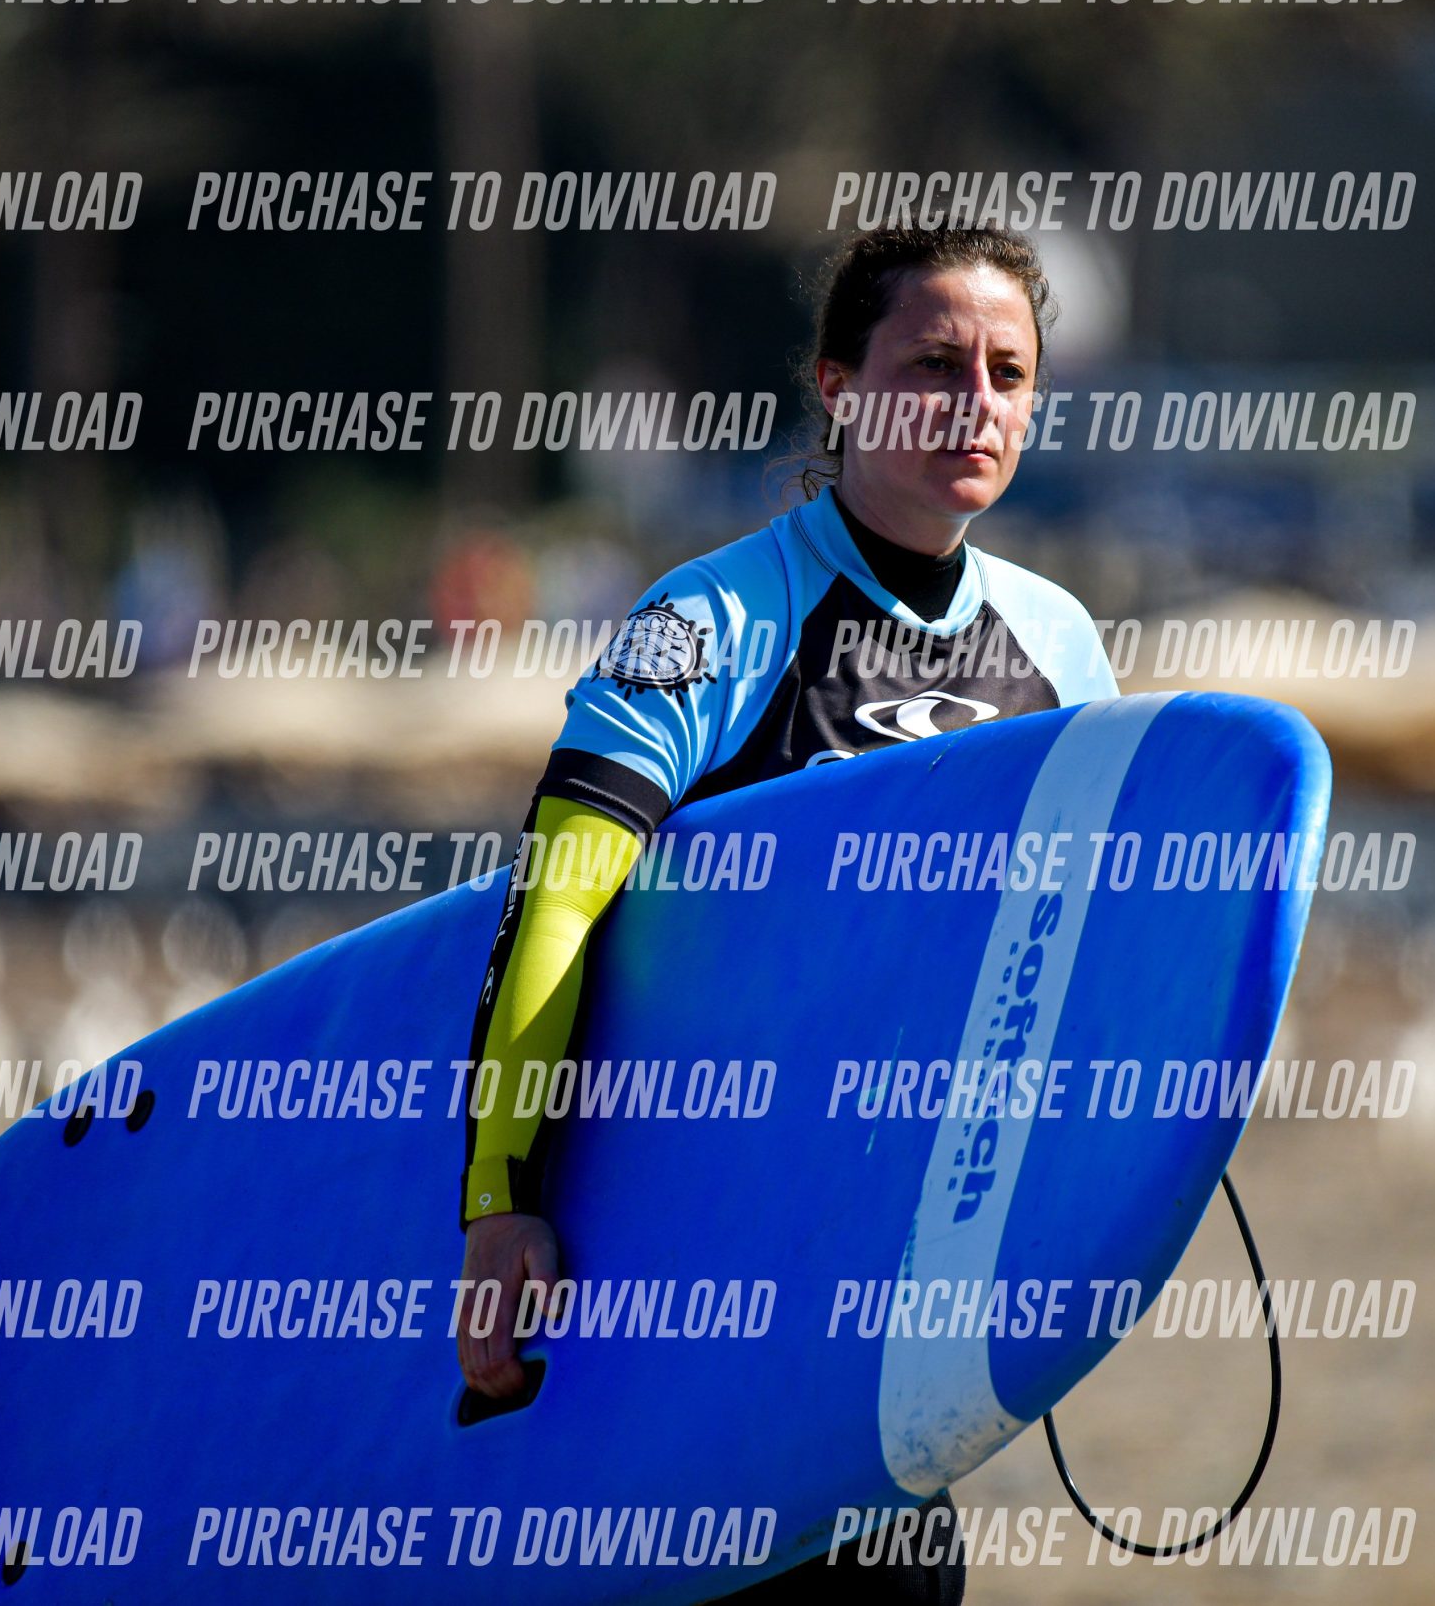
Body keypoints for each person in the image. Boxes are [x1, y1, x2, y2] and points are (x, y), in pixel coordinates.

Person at [455, 225, 1117, 1602]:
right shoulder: (709, 620)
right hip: (695, 1244)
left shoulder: (1060, 646)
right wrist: (504, 1201)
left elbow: (1085, 961)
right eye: (932, 365)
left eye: (1007, 373)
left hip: (905, 1280)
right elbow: (555, 908)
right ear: (840, 387)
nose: (974, 403)